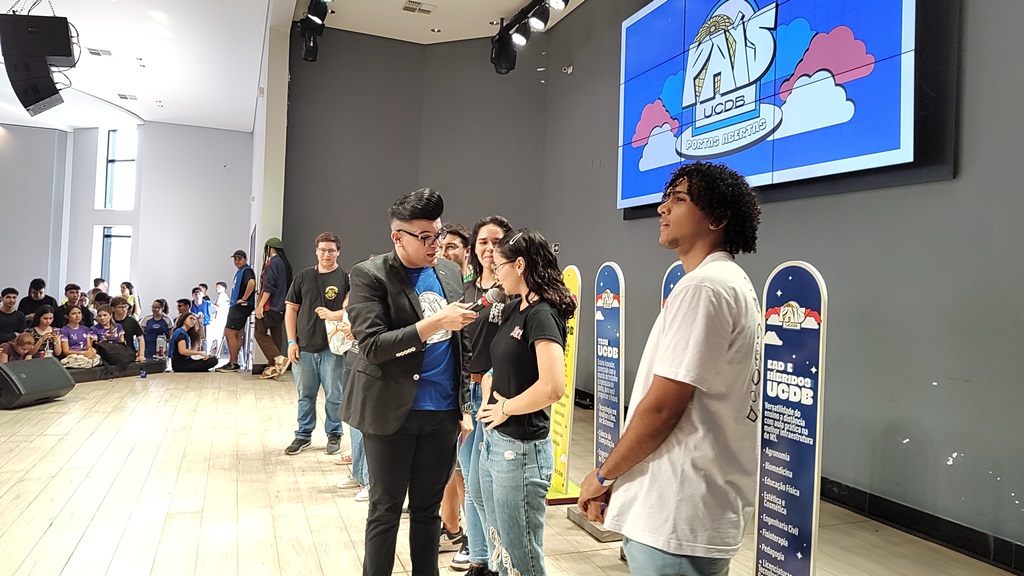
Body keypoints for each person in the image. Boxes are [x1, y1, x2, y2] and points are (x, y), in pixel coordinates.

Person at [576, 162, 762, 576]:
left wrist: (603, 476)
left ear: (717, 218)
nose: (663, 208)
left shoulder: (705, 288)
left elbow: (663, 407)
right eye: (666, 198)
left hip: (677, 513)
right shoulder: (727, 282)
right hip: (692, 509)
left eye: (679, 200)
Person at [343, 188, 477, 576]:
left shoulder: (450, 272)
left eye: (438, 235)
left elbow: (462, 345)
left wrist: (464, 406)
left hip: (442, 413)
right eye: (425, 237)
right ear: (397, 237)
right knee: (385, 510)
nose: (436, 245)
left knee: (427, 510)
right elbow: (372, 345)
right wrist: (435, 322)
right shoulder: (370, 274)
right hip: (390, 412)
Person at [474, 229, 573, 576]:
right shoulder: (515, 307)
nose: (495, 273)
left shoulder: (541, 314)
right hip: (496, 441)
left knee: (521, 559)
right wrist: (490, 384)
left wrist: (505, 407)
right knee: (501, 549)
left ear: (519, 265)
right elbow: (504, 362)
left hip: (520, 450)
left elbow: (553, 387)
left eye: (499, 266)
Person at [458, 215, 513, 575]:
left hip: (497, 394)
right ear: (473, 248)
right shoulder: (464, 290)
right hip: (466, 393)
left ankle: (495, 559)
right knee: (470, 479)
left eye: (497, 241)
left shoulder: (513, 291)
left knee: (485, 484)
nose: (490, 248)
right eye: (483, 242)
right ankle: (479, 557)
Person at [282, 231, 349, 454]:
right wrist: (291, 341)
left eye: (331, 250)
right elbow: (291, 310)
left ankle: (334, 434)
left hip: (333, 348)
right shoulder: (303, 277)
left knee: (334, 396)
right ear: (316, 251)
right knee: (305, 396)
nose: (326, 254)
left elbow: (352, 310)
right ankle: (303, 434)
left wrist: (334, 314)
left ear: (338, 252)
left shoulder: (345, 279)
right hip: (304, 348)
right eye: (322, 250)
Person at [255, 237, 293, 378]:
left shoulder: (271, 263)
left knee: (259, 333)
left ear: (269, 248)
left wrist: (260, 305)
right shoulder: (285, 265)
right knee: (276, 335)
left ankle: (279, 359)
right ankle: (274, 369)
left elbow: (268, 287)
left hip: (269, 306)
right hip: (281, 307)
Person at [217, 250, 256, 372]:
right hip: (242, 306)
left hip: (240, 307)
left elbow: (252, 283)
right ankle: (235, 361)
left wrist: (244, 298)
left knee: (229, 332)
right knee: (238, 333)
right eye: (235, 259)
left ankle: (233, 362)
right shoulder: (241, 271)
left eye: (239, 259)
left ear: (245, 259)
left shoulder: (246, 271)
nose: (237, 261)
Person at [111, 296, 145, 362]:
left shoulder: (132, 322)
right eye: (120, 307)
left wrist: (141, 354)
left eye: (125, 307)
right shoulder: (109, 321)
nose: (124, 309)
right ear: (113, 309)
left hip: (129, 353)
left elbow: (140, 338)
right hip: (113, 354)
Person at [207, 281, 230, 356]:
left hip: (220, 319)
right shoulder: (222, 296)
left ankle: (217, 353)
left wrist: (211, 304)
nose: (217, 288)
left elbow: (219, 307)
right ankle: (216, 352)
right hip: (219, 319)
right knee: (217, 336)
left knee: (218, 336)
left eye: (219, 287)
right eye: (216, 287)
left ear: (224, 288)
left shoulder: (223, 296)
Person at [190, 287, 215, 352]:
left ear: (202, 294)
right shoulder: (190, 305)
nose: (197, 296)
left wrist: (212, 319)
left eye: (199, 294)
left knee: (205, 341)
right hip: (194, 325)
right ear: (193, 295)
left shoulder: (208, 304)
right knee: (195, 341)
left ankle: (206, 354)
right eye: (195, 294)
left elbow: (215, 311)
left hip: (206, 325)